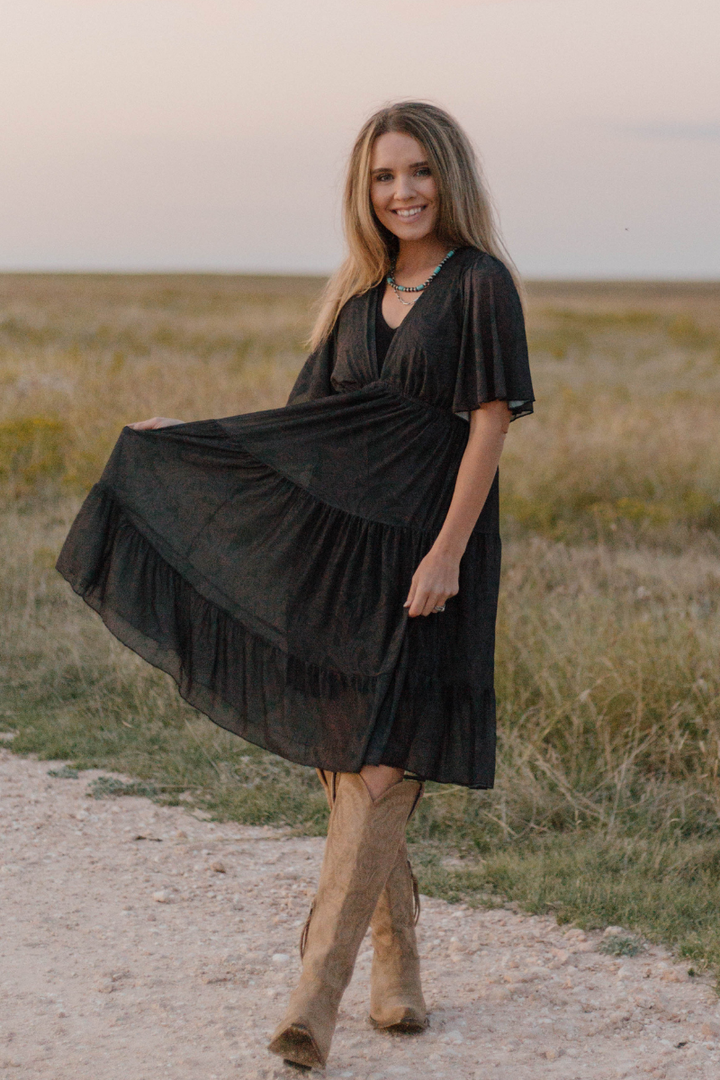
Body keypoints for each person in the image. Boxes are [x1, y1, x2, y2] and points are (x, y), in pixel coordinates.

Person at [56, 100, 534, 1070]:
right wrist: (181, 435)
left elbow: (489, 422)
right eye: (383, 176)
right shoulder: (358, 301)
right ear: (366, 191)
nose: (401, 192)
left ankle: (314, 997)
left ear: (449, 178)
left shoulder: (480, 284)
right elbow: (300, 430)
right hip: (342, 555)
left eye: (417, 172)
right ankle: (397, 967)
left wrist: (445, 553)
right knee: (349, 756)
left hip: (432, 550)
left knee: (385, 762)